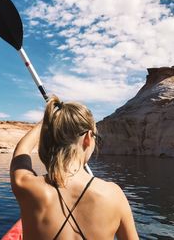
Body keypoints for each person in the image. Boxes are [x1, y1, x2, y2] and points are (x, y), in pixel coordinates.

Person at [10, 95, 139, 240]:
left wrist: (47, 121)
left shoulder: (26, 185)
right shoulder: (114, 195)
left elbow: (22, 151)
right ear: (88, 137)